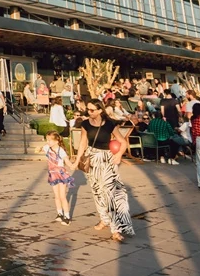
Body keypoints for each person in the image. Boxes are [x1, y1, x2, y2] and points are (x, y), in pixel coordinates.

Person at [74, 99, 134, 242]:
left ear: (100, 110)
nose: (89, 112)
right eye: (87, 109)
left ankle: (116, 229)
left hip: (107, 159)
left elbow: (122, 141)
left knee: (111, 194)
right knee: (97, 191)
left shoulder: (110, 124)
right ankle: (104, 219)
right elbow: (83, 142)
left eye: (92, 110)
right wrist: (77, 160)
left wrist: (119, 154)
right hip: (92, 159)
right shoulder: (85, 124)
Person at [44, 131, 75, 224]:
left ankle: (67, 217)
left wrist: (71, 165)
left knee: (62, 196)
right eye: (47, 140)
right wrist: (38, 149)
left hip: (61, 174)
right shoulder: (47, 148)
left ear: (56, 141)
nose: (48, 142)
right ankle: (59, 213)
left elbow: (66, 159)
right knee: (56, 196)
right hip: (52, 174)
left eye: (50, 140)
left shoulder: (60, 150)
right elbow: (41, 148)